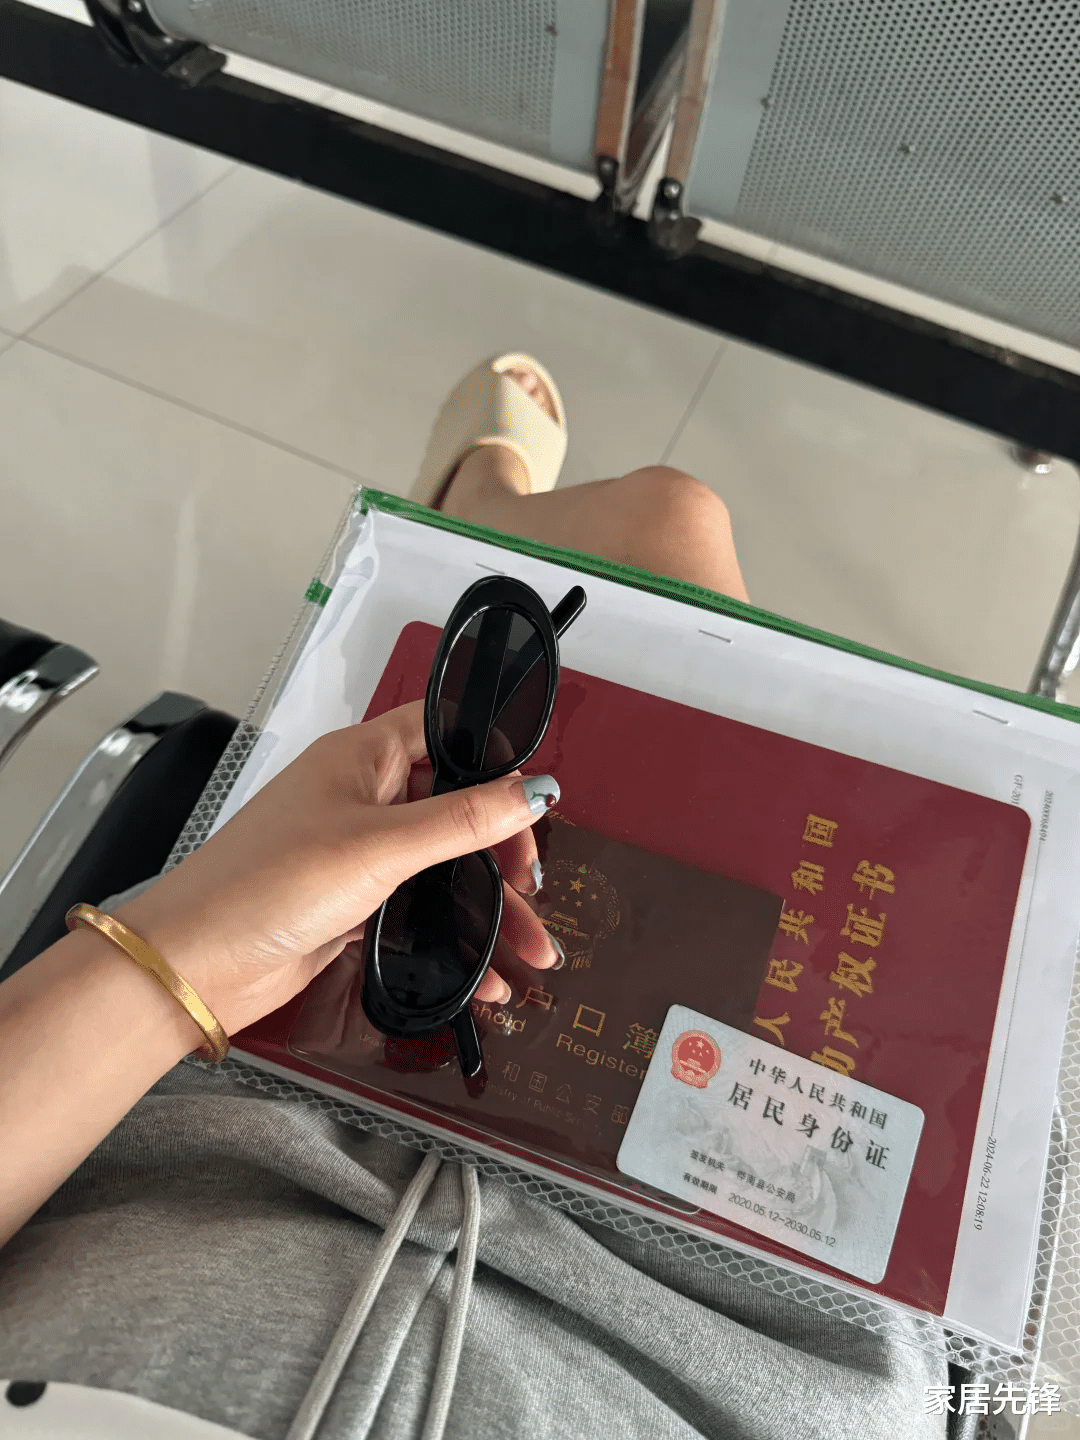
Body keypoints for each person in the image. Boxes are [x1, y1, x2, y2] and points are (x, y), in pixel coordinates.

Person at [0, 357, 945, 1439]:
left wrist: (186, 958)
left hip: (201, 1102)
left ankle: (485, 503)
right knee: (682, 551)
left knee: (653, 577)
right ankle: (493, 502)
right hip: (718, 1325)